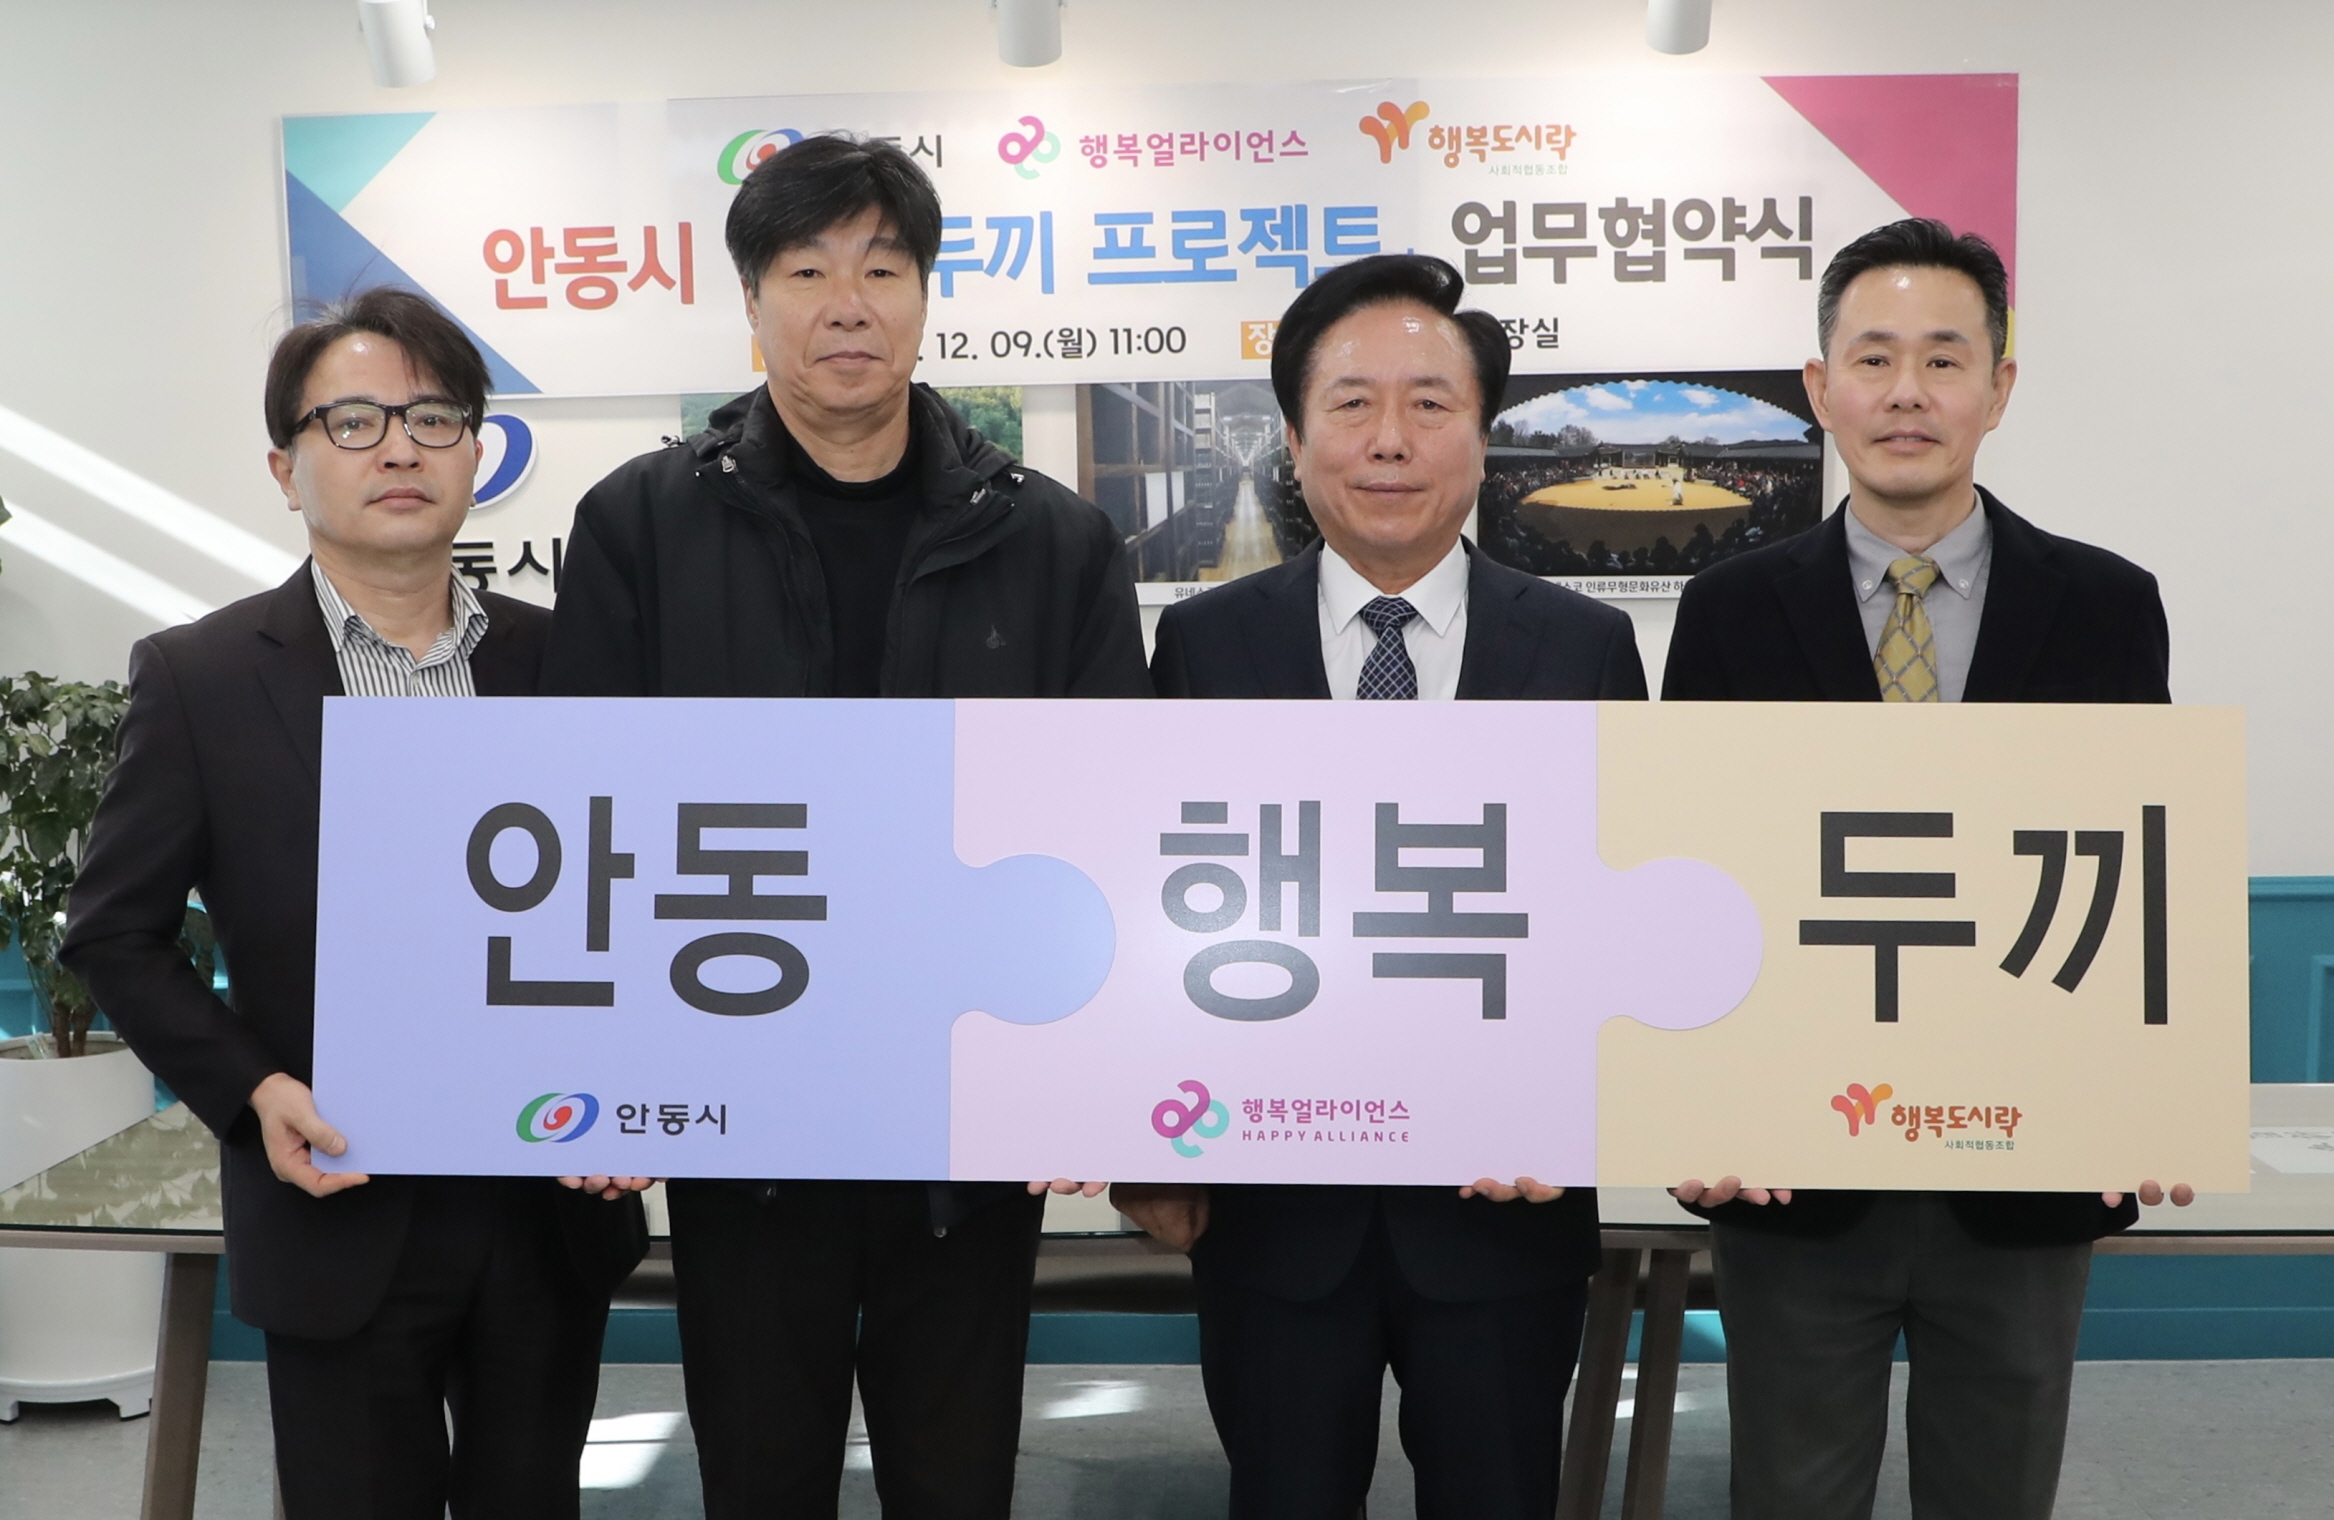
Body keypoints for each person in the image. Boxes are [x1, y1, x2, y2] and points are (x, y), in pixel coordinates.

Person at [541, 134, 1147, 1519]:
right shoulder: (640, 523)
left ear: (926, 294)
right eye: (806, 272)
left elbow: (1110, 820)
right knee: (760, 1480)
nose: (846, 305)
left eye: (881, 269)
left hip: (968, 1116)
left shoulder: (1051, 539)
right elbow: (586, 805)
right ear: (752, 303)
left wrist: (1090, 1071)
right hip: (742, 1112)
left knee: (957, 1483)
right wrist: (601, 1066)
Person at [61, 288, 648, 1520]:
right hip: (334, 1196)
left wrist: (631, 1087)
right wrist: (254, 1089)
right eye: (355, 420)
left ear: (477, 453)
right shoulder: (203, 677)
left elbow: (636, 903)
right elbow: (114, 930)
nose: (399, 449)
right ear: (287, 467)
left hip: (545, 1201)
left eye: (434, 418)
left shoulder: (572, 662)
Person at [1662, 218, 2193, 1520]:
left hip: (2027, 1162)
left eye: (1944, 360)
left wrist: (2149, 1094)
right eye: (1874, 358)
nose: (1907, 392)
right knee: (1790, 1497)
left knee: (1995, 1495)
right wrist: (1689, 1103)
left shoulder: (2104, 603)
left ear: (1997, 389)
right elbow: (1688, 876)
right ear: (1819, 386)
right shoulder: (1730, 608)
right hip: (1791, 1161)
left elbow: (2137, 860)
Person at [1126, 253, 1645, 1520]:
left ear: (1484, 435)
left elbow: (1619, 917)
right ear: (1294, 436)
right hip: (1273, 1212)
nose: (1391, 440)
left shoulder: (1584, 647)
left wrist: (1577, 1118)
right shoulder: (1204, 646)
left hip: (1505, 1204)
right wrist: (1144, 1138)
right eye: (1352, 403)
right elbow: (1156, 904)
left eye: (1430, 402)